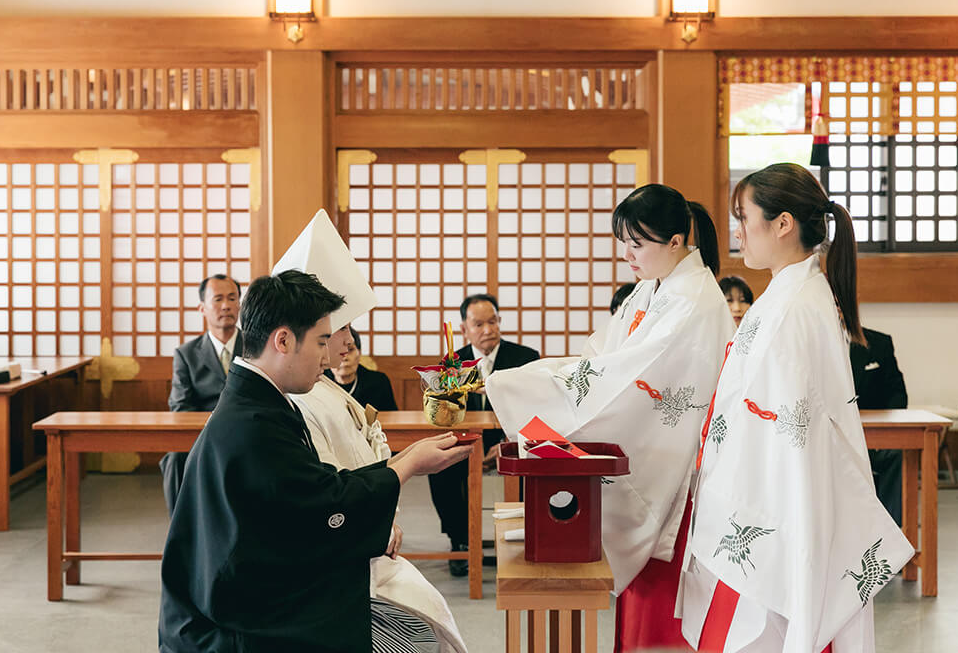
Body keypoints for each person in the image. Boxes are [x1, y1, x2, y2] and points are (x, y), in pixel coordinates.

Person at [159, 270, 472, 653]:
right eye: (322, 341)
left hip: (255, 577)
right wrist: (406, 467)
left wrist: (405, 459)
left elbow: (313, 488)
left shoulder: (262, 400)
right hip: (235, 617)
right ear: (284, 340)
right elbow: (323, 502)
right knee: (413, 631)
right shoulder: (252, 422)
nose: (328, 356)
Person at [486, 184, 735, 652]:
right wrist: (536, 378)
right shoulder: (652, 289)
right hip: (655, 453)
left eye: (637, 244)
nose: (627, 255)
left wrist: (523, 385)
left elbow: (633, 378)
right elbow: (601, 357)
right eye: (624, 242)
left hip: (676, 469)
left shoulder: (695, 302)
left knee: (663, 613)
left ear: (676, 241)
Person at [678, 163, 913, 653]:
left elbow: (788, 425)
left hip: (774, 494)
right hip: (771, 487)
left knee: (765, 626)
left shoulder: (794, 305)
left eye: (744, 217)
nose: (737, 230)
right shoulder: (791, 293)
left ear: (783, 224)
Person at [273, 209, 468, 652]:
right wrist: (402, 473)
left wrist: (389, 505)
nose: (344, 343)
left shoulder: (321, 385)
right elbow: (324, 489)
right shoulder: (296, 397)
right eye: (334, 331)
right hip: (333, 563)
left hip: (365, 535)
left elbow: (365, 458)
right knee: (421, 634)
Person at [427, 293, 539, 576]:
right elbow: (448, 415)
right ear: (464, 329)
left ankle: (526, 538)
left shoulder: (526, 358)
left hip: (512, 442)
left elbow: (535, 412)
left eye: (493, 321)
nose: (488, 329)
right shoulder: (452, 363)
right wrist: (471, 448)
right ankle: (460, 541)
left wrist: (505, 445)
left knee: (535, 463)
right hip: (467, 442)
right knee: (441, 470)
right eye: (479, 324)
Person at [158, 274, 242, 515]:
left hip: (247, 429)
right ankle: (181, 533)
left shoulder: (256, 347)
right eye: (218, 299)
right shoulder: (186, 354)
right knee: (174, 459)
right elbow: (180, 406)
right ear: (202, 308)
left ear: (240, 304)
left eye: (232, 298)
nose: (226, 305)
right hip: (201, 434)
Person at [850, 328, 908, 527]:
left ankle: (890, 529)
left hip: (872, 433)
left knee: (895, 452)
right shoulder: (814, 341)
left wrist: (887, 429)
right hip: (830, 437)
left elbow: (897, 392)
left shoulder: (879, 342)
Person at [324, 327, 398, 413]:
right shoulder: (320, 382)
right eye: (337, 351)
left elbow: (391, 416)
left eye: (350, 350)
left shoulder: (379, 381)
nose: (345, 357)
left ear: (359, 353)